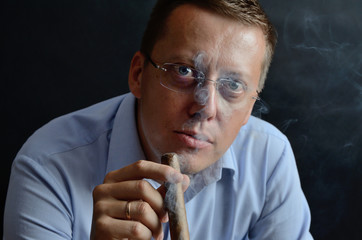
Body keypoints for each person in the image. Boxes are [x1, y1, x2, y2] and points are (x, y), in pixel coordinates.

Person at [4, 0, 313, 239]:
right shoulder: (48, 165)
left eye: (233, 86)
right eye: (184, 71)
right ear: (139, 75)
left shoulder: (269, 158)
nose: (205, 107)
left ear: (249, 108)